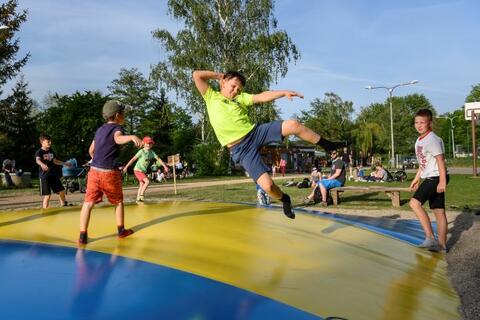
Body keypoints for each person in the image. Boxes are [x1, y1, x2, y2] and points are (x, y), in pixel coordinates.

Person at [193, 70, 345, 219]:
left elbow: (261, 96)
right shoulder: (211, 96)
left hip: (255, 133)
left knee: (293, 124)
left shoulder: (240, 98)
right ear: (224, 83)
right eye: (233, 86)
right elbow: (197, 75)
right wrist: (219, 75)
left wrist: (283, 92)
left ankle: (327, 145)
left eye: (238, 89)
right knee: (268, 187)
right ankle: (285, 199)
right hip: (240, 149)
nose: (235, 91)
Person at [78, 100, 143, 245]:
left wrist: (97, 160)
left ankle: (82, 236)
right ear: (118, 115)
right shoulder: (117, 128)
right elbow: (118, 139)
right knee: (118, 202)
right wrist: (132, 137)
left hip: (94, 172)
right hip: (109, 173)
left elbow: (91, 150)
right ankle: (121, 231)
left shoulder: (100, 130)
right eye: (123, 113)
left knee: (88, 203)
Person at [409, 109, 448, 252]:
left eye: (422, 123)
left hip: (436, 177)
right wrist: (416, 178)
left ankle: (430, 238)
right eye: (416, 122)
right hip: (431, 176)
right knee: (438, 211)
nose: (419, 125)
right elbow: (423, 162)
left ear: (429, 123)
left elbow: (440, 161)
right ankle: (442, 246)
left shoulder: (432, 139)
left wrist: (442, 182)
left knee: (414, 203)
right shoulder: (419, 140)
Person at [122, 136, 169, 202]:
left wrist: (165, 166)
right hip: (137, 170)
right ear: (143, 143)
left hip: (143, 171)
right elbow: (133, 159)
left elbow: (158, 159)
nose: (148, 145)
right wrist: (126, 167)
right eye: (147, 143)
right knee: (147, 181)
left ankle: (138, 199)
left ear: (152, 144)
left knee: (141, 184)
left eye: (150, 143)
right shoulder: (141, 151)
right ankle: (141, 196)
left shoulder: (152, 152)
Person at [35, 134, 72, 208]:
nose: (50, 143)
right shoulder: (39, 152)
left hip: (53, 175)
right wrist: (42, 164)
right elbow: (37, 160)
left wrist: (64, 163)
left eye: (50, 141)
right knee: (47, 195)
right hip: (44, 176)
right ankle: (45, 211)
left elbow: (55, 161)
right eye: (48, 141)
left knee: (61, 191)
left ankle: (63, 205)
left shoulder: (51, 150)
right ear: (42, 142)